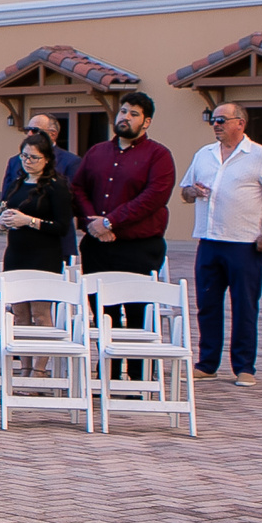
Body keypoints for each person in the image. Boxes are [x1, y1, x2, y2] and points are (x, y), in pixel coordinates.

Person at [182, 104, 262, 385]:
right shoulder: (203, 155)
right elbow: (184, 192)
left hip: (244, 245)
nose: (215, 125)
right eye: (212, 120)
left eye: (221, 120)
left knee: (244, 306)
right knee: (207, 305)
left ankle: (244, 367)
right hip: (208, 241)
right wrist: (193, 191)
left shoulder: (261, 157)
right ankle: (207, 363)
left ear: (240, 123)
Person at [73, 93, 178, 351]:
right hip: (98, 248)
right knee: (102, 315)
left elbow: (153, 198)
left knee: (136, 318)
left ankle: (136, 385)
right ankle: (108, 378)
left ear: (146, 122)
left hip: (138, 248)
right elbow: (77, 189)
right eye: (123, 111)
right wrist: (93, 223)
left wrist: (110, 222)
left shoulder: (159, 155)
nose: (125, 117)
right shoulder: (97, 152)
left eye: (134, 114)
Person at [0, 130, 77, 276]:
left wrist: (29, 221)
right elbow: (8, 210)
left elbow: (62, 227)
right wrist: (1, 221)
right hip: (15, 255)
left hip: (44, 257)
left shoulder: (56, 186)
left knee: (39, 298)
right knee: (13, 297)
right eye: (24, 156)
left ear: (46, 159)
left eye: (34, 158)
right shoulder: (17, 184)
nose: (27, 161)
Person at [4, 111, 83, 191]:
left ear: (53, 134)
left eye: (34, 130)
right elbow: (6, 196)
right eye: (27, 130)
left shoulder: (71, 162)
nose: (29, 134)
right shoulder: (14, 161)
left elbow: (72, 195)